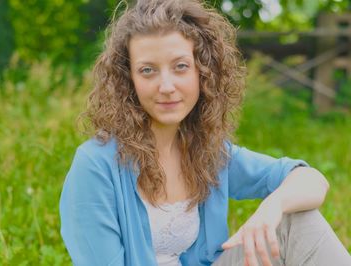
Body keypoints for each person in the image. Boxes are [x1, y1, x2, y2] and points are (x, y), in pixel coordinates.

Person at [59, 0, 351, 265]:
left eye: (181, 67)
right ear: (128, 80)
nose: (166, 86)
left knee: (296, 222)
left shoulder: (208, 152)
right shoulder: (96, 165)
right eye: (148, 70)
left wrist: (271, 207)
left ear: (203, 71)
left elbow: (312, 180)